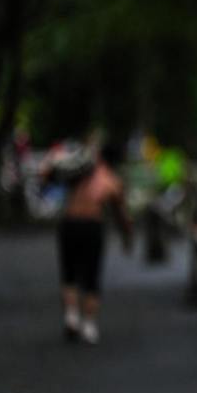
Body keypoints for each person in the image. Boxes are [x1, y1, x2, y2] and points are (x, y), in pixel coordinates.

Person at [56, 141, 133, 345]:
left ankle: (71, 317)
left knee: (69, 274)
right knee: (91, 277)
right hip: (92, 226)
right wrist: (127, 237)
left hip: (69, 223)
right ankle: (89, 325)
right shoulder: (110, 179)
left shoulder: (79, 173)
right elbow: (122, 215)